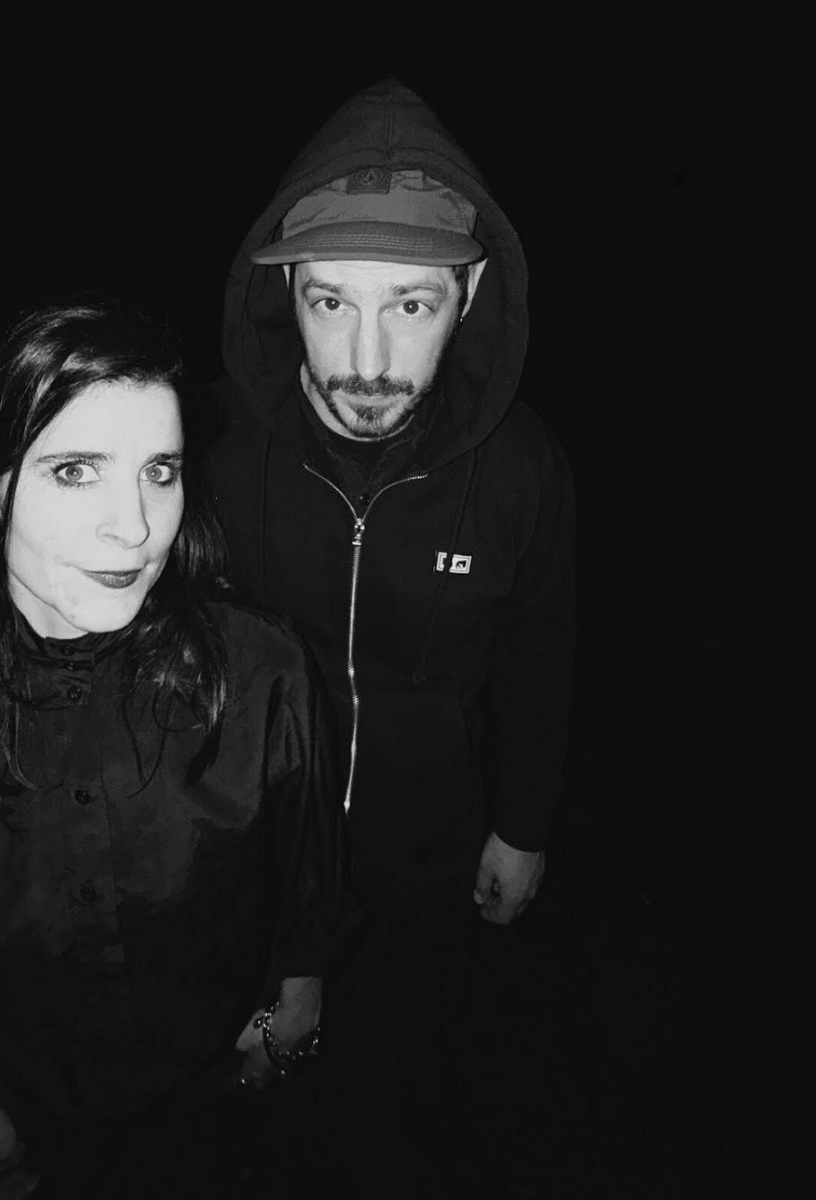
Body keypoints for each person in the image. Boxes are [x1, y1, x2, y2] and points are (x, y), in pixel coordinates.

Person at [0, 300, 355, 1199]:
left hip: (223, 1101)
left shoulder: (260, 670)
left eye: (159, 472)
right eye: (76, 471)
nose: (135, 527)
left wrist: (293, 1012)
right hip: (31, 1126)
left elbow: (312, 876)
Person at [208, 80, 576, 1191]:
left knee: (414, 1085)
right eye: (330, 301)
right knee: (258, 1113)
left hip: (433, 844)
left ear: (470, 293)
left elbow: (540, 653)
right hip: (253, 848)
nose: (366, 358)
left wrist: (524, 824)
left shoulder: (523, 469)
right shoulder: (205, 458)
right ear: (284, 291)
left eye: (410, 304)